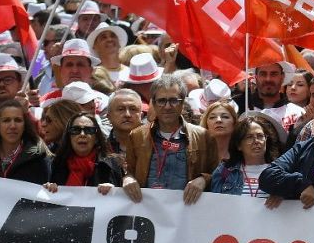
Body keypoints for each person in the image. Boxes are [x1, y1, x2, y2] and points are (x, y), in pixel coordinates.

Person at [121, 74, 214, 204]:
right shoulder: (136, 136)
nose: (167, 106)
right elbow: (129, 172)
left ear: (183, 102)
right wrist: (128, 179)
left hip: (187, 212)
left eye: (174, 100)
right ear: (153, 103)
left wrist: (203, 179)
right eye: (161, 100)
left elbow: (216, 175)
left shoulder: (203, 136)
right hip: (148, 211)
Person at [47, 112, 129, 194]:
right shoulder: (55, 164)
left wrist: (115, 191)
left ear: (96, 137)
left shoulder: (112, 164)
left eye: (89, 130)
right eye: (76, 130)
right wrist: (48, 190)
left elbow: (125, 199)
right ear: (69, 136)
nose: (82, 134)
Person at [209, 112, 285, 199]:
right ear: (239, 145)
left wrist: (283, 195)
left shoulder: (281, 171)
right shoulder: (224, 171)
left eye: (260, 136)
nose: (256, 141)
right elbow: (216, 204)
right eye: (249, 137)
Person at [201, 100, 238, 165]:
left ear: (234, 123)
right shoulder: (197, 156)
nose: (218, 120)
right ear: (206, 124)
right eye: (212, 117)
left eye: (225, 117)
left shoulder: (243, 155)